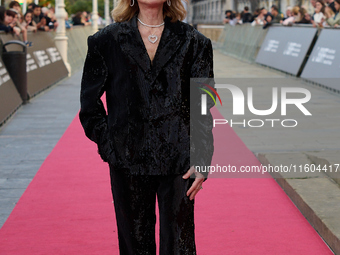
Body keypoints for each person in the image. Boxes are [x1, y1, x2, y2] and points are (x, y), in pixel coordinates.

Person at [79, 0, 215, 253]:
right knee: (134, 243)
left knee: (179, 244)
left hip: (179, 158)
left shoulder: (195, 42)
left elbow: (203, 105)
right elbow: (89, 105)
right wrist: (111, 146)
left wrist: (202, 156)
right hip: (127, 158)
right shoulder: (105, 41)